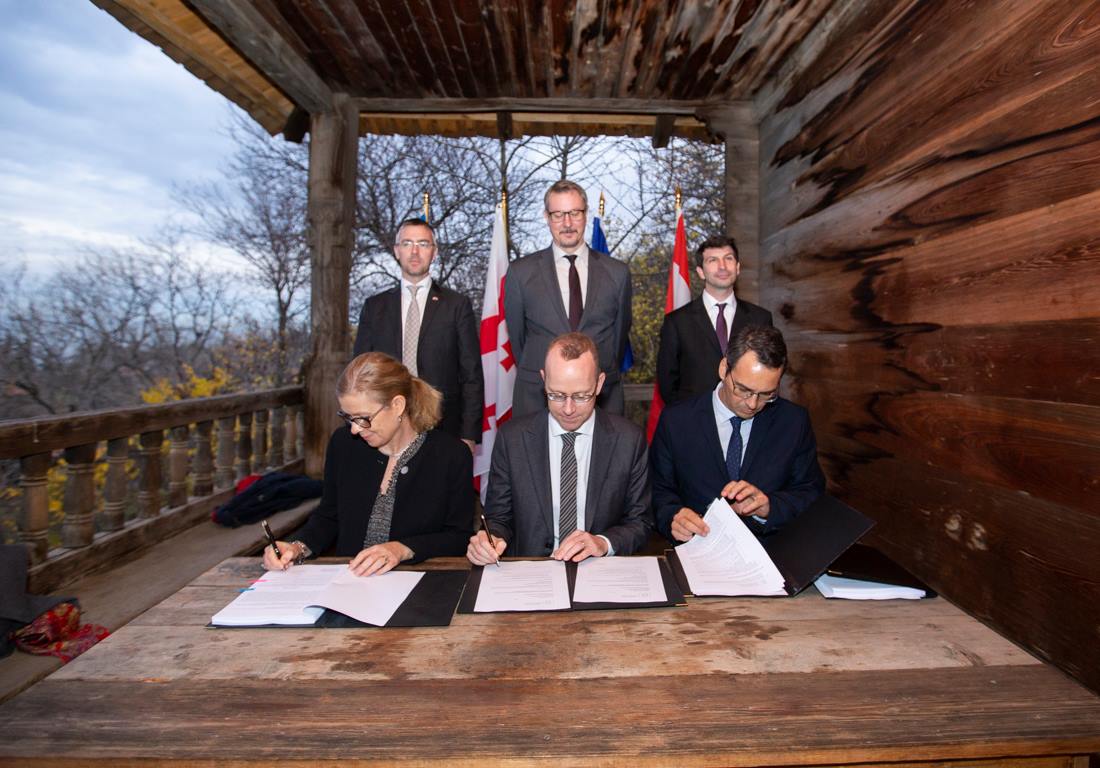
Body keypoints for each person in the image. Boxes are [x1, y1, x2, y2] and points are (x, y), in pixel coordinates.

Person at [264, 352, 473, 575]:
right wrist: (297, 548)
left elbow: (458, 537)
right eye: (348, 418)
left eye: (363, 418)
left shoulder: (451, 455)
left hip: (420, 583)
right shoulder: (343, 445)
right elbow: (328, 517)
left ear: (398, 405)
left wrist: (402, 549)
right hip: (350, 582)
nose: (355, 429)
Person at [467, 332, 652, 564]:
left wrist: (603, 543)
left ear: (599, 384)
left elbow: (640, 522)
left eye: (581, 396)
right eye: (556, 395)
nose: (568, 409)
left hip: (598, 570)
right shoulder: (512, 439)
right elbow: (498, 519)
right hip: (531, 571)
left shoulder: (629, 440)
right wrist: (490, 540)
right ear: (543, 380)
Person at [650, 325, 825, 543]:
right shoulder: (676, 420)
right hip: (696, 550)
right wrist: (672, 517)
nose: (752, 404)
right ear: (724, 368)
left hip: (771, 554)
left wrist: (769, 507)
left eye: (767, 394)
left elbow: (811, 493)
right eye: (743, 389)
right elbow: (658, 491)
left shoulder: (793, 422)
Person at [504, 180, 631, 418]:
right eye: (558, 215)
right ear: (546, 217)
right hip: (537, 398)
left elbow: (618, 340)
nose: (567, 223)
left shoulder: (618, 273)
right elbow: (519, 341)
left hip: (603, 398)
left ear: (585, 214)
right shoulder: (520, 273)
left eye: (574, 213)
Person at [352, 218, 483, 449]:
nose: (414, 251)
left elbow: (471, 375)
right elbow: (359, 372)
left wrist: (469, 435)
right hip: (384, 427)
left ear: (434, 252)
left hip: (443, 428)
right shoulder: (374, 307)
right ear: (397, 250)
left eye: (423, 244)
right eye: (407, 243)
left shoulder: (457, 305)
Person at [657, 234, 772, 405]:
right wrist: (686, 415)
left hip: (749, 414)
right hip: (695, 415)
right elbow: (667, 383)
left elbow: (769, 371)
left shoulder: (761, 318)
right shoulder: (676, 322)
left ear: (738, 268)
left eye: (728, 258)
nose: (722, 266)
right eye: (713, 260)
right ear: (701, 272)